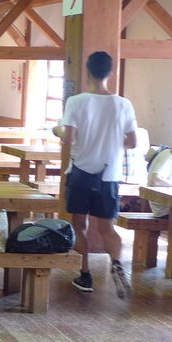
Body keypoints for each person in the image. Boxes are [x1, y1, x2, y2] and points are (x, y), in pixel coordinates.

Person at [60, 51, 138, 297]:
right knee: (107, 227)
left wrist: (57, 131)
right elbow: (132, 142)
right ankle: (116, 262)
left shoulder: (76, 102)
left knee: (79, 224)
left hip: (81, 172)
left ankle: (85, 275)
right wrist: (112, 142)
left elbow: (69, 138)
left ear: (88, 71)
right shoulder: (123, 104)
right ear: (110, 72)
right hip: (109, 175)